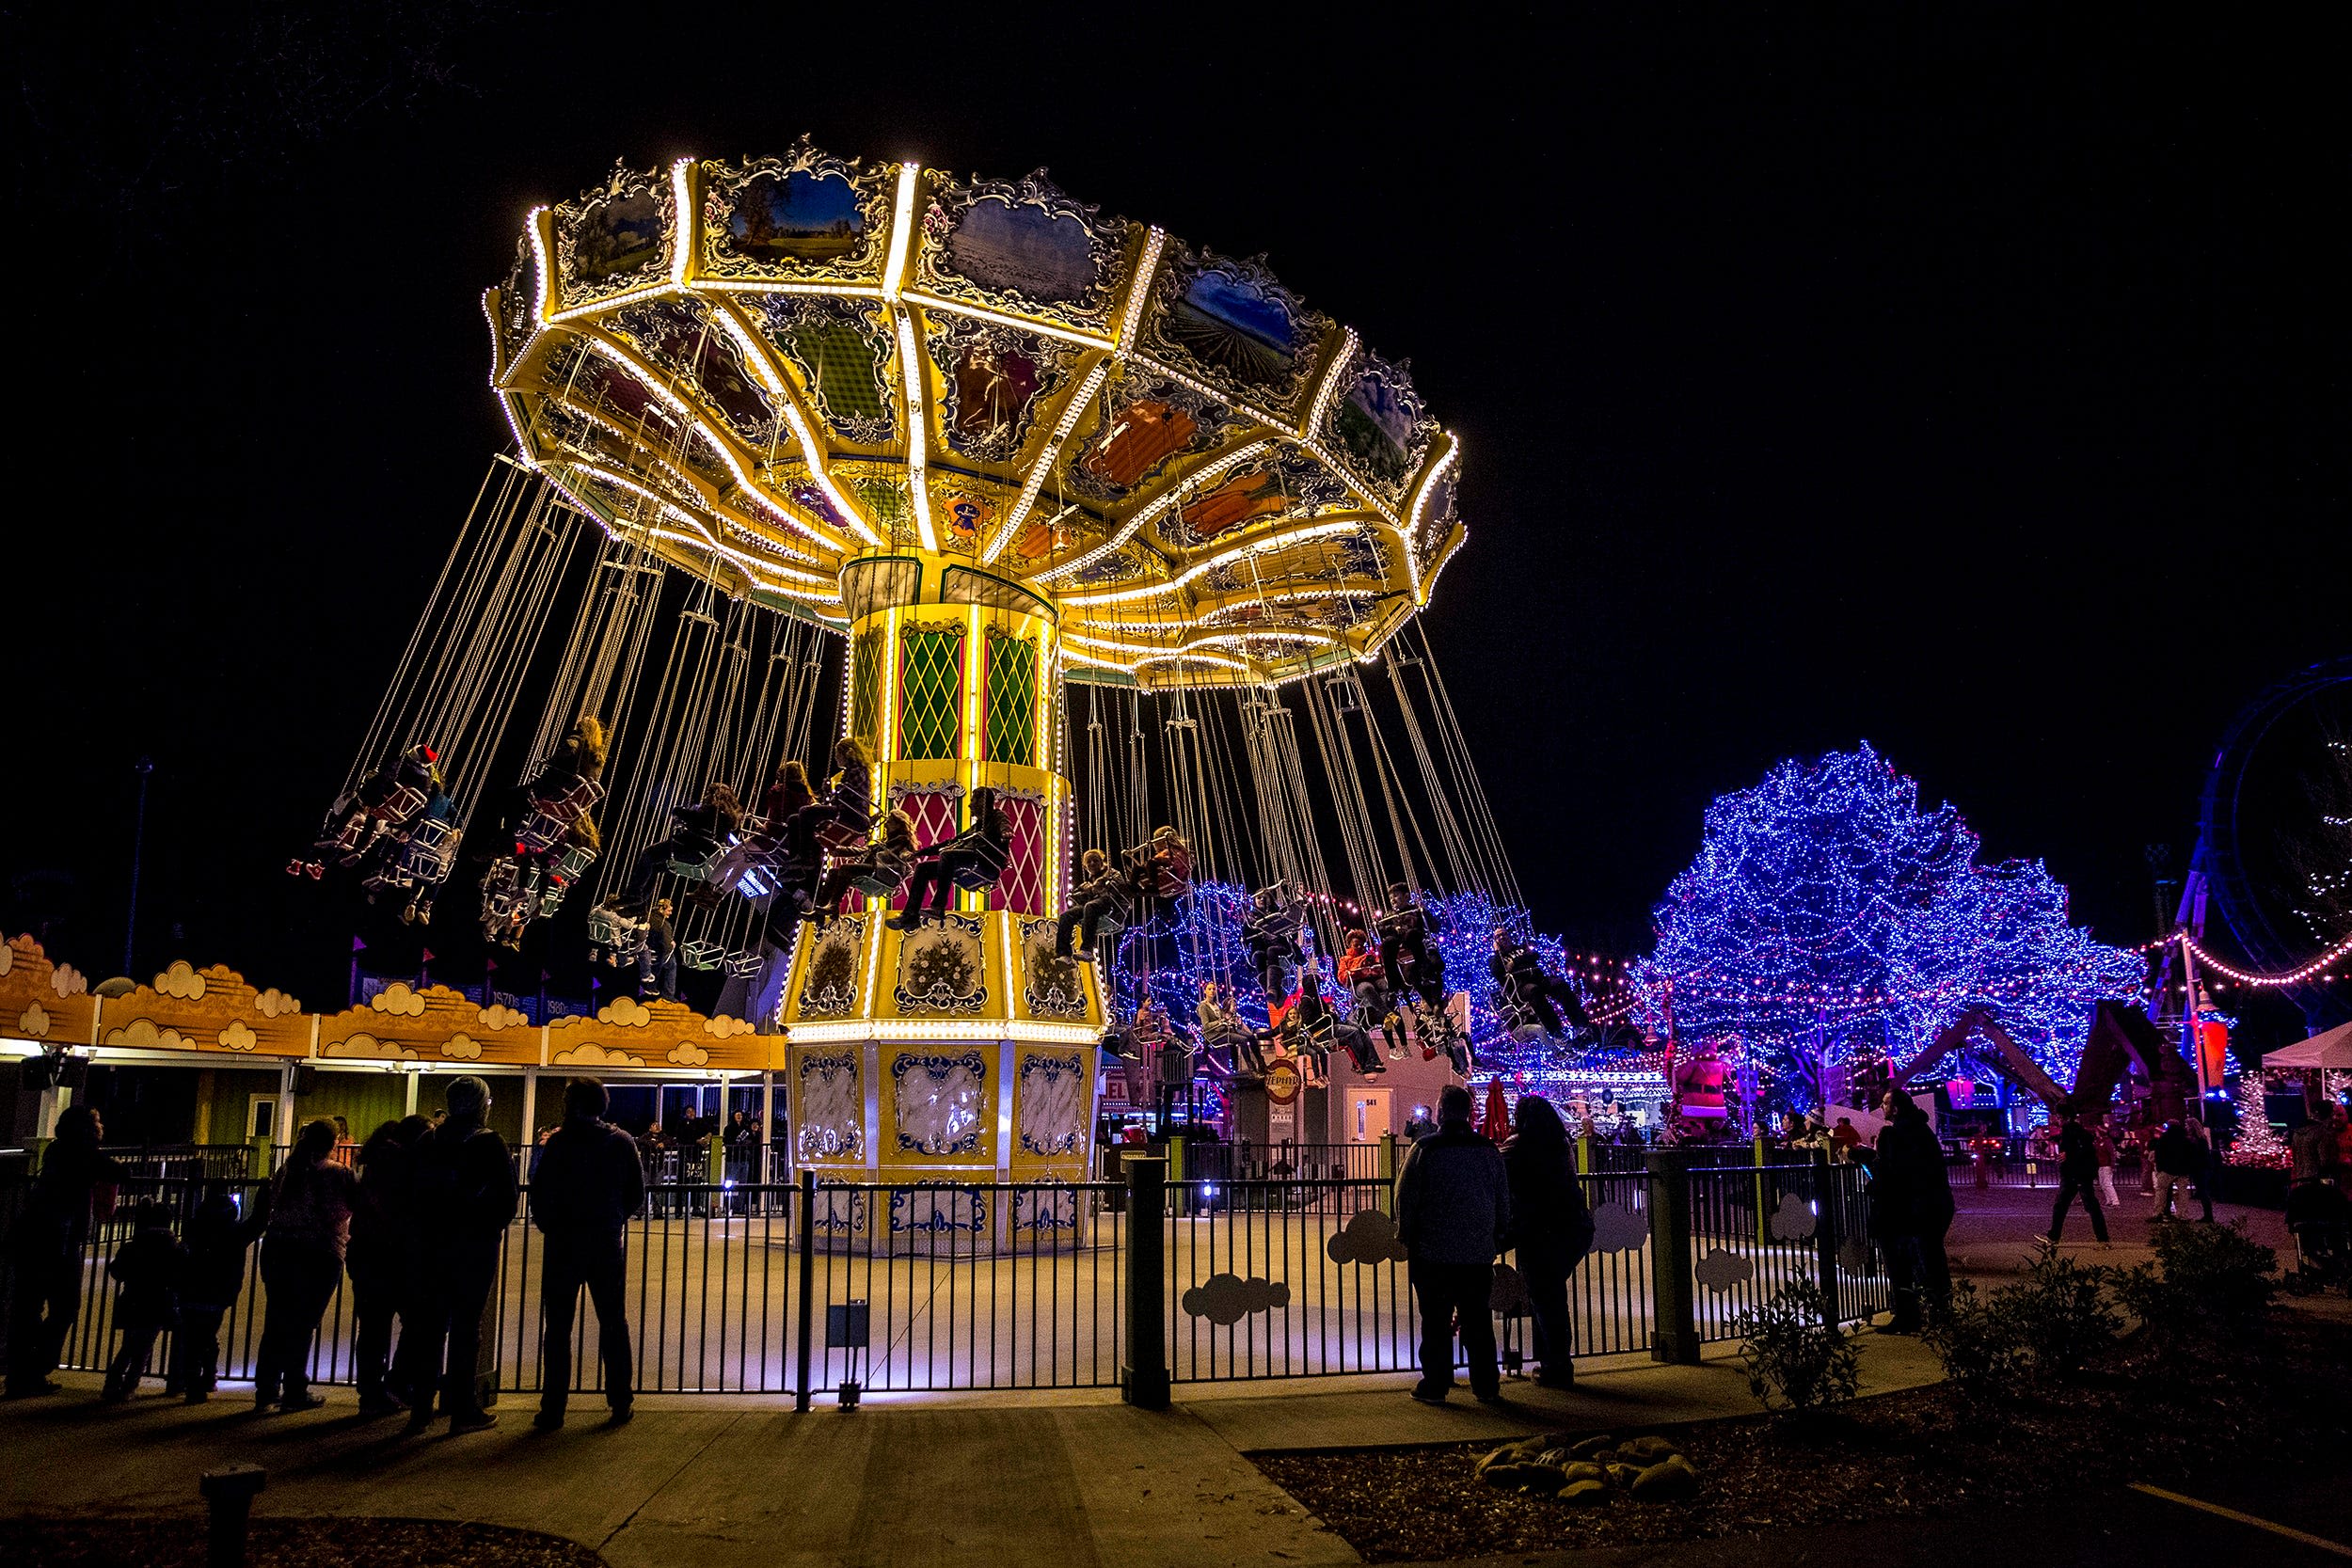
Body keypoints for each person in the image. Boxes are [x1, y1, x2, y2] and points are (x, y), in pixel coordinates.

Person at [530, 1077, 648, 1429]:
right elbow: (635, 1194)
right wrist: (613, 1219)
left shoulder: (559, 1144)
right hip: (604, 1241)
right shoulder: (621, 1142)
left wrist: (551, 1223)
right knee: (613, 1321)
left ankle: (553, 1406)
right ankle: (620, 1400)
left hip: (564, 1243)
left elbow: (541, 1190)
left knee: (558, 1328)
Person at [405, 1076, 518, 1434]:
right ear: (481, 1105)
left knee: (429, 1327)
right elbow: (507, 1197)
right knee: (467, 1327)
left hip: (431, 1245)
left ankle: (420, 1408)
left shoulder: (429, 1140)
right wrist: (488, 1227)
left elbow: (412, 1192)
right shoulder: (489, 1143)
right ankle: (462, 1406)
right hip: (473, 1246)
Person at [1394, 1084, 1510, 1405]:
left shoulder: (1425, 1150)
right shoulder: (1488, 1151)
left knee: (1435, 1319)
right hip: (1476, 1251)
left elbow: (1406, 1196)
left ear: (1441, 1113)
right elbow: (1502, 1197)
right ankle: (1486, 1384)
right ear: (1469, 1113)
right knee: (1478, 1320)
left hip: (1434, 1251)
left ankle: (1436, 1382)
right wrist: (1498, 1232)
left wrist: (1406, 1233)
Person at [7, 1105, 125, 1399]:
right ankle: (38, 1366)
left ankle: (19, 1375)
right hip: (60, 1241)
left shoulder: (56, 1151)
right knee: (65, 1306)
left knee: (27, 1307)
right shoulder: (85, 1154)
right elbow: (120, 1171)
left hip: (30, 1235)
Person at [254, 1117, 360, 1412]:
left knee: (277, 1321)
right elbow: (356, 1203)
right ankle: (295, 1389)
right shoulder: (338, 1173)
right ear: (333, 1143)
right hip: (319, 1252)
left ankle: (266, 1389)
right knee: (303, 1323)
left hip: (278, 1248)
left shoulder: (287, 1170)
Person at [1502, 1094, 1594, 1389]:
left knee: (1546, 1297)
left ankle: (1557, 1365)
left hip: (1541, 1229)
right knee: (1550, 1294)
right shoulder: (1560, 1144)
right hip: (1573, 1226)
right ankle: (1553, 1362)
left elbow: (1498, 1168)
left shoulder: (1519, 1145)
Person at [1866, 1089, 1956, 1332]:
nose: (1882, 1107)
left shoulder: (1894, 1134)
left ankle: (1912, 1314)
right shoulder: (1920, 1130)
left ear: (1895, 1108)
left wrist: (1870, 1175)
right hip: (1936, 1203)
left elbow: (1891, 1172)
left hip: (1916, 1206)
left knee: (1908, 1262)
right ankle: (1941, 1311)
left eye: (1885, 1103)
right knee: (1932, 1259)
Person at [350, 1118, 422, 1416]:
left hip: (367, 1252)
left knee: (372, 1327)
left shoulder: (376, 1163)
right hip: (392, 1253)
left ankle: (371, 1391)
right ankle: (396, 1382)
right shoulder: (401, 1164)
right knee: (418, 1321)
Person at [171, 1180, 267, 1402]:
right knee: (206, 1336)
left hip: (190, 1291)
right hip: (217, 1293)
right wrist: (264, 1195)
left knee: (193, 1339)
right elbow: (257, 1223)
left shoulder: (195, 1229)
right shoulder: (233, 1234)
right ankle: (205, 1379)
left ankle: (193, 1381)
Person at [99, 1201, 185, 1402]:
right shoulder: (173, 1247)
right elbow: (180, 1275)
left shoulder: (134, 1245)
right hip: (158, 1301)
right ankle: (129, 1385)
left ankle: (112, 1383)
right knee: (143, 1347)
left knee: (129, 1345)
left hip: (133, 1299)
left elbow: (117, 1270)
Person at [613, 782, 743, 912]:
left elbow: (688, 816)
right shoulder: (729, 817)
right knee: (655, 866)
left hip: (690, 850)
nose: (706, 796)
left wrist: (680, 809)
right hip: (704, 860)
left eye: (708, 793)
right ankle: (639, 906)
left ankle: (632, 895)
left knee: (648, 854)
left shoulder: (711, 810)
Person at [894, 787, 1009, 928]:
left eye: (973, 800)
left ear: (983, 802)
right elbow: (951, 842)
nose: (969, 805)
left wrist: (1006, 832)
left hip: (987, 864)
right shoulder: (976, 828)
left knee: (947, 855)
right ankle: (910, 916)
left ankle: (938, 906)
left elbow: (1004, 824)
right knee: (923, 868)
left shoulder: (997, 816)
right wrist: (920, 853)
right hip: (971, 861)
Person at [814, 809, 919, 923]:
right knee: (833, 873)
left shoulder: (903, 841)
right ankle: (820, 913)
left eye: (889, 821)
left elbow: (906, 855)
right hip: (876, 870)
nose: (886, 825)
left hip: (886, 872)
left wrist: (907, 856)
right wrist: (837, 850)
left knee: (846, 869)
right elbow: (862, 850)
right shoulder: (884, 843)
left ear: (898, 824)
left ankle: (834, 905)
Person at [1490, 930, 1592, 1038]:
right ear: (1495, 941)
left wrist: (1514, 962)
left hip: (1539, 980)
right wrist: (1497, 952)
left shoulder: (1520, 948)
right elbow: (1497, 972)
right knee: (1534, 991)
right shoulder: (1496, 959)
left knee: (1560, 984)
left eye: (1504, 934)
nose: (1502, 937)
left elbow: (1534, 955)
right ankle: (1556, 1032)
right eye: (1498, 936)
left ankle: (1580, 1025)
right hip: (1520, 988)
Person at [2045, 1105, 2110, 1247]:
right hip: (2079, 1173)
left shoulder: (2070, 1129)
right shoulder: (2074, 1129)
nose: (2058, 1120)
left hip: (2075, 1173)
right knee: (2087, 1205)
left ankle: (2054, 1236)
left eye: (2059, 1117)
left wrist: (2069, 1154)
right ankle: (2102, 1238)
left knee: (2065, 1205)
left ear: (2065, 1117)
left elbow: (2085, 1146)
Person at [1055, 847, 1133, 960]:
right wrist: (1081, 893)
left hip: (1112, 905)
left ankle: (1087, 949)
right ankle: (1064, 954)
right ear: (1085, 867)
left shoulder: (1113, 873)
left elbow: (1119, 889)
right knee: (1066, 916)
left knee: (1090, 906)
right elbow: (1087, 896)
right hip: (1095, 906)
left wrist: (1096, 887)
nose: (1092, 863)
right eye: (1089, 862)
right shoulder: (1089, 882)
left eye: (1095, 860)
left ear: (1102, 862)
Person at [1338, 928, 1405, 1058]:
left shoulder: (1370, 955)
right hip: (1358, 985)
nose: (1359, 947)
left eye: (1361, 945)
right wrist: (1358, 969)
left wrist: (1372, 968)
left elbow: (1379, 970)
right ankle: (1388, 1013)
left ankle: (1387, 1015)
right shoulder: (1345, 959)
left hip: (1373, 980)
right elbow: (1342, 977)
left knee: (1385, 985)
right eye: (1355, 945)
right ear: (1350, 945)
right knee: (1368, 988)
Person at [2151, 1117, 2199, 1221]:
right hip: (2182, 1169)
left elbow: (2159, 1153)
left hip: (2167, 1169)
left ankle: (2158, 1213)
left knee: (2161, 1191)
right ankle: (2183, 1215)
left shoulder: (2165, 1138)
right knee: (2183, 1193)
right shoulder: (2186, 1139)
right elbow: (2191, 1154)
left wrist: (2159, 1168)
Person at [2092, 1118, 2121, 1210]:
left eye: (2097, 1131)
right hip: (2100, 1165)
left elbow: (2112, 1154)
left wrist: (2113, 1164)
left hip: (2106, 1165)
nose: (2095, 1132)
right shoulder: (2098, 1141)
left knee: (2107, 1183)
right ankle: (2109, 1200)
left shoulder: (2107, 1141)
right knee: (2103, 1183)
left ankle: (2115, 1201)